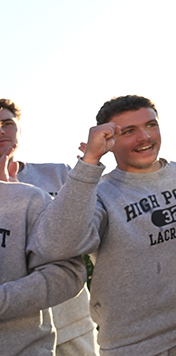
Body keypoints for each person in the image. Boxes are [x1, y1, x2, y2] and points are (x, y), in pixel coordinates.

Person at [40, 95, 176, 356]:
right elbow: (61, 245)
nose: (144, 137)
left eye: (150, 125)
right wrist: (89, 162)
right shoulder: (98, 194)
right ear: (108, 142)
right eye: (129, 131)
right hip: (138, 344)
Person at [0, 99, 98, 355]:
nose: (1, 131)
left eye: (7, 123)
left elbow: (89, 233)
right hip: (19, 333)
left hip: (73, 323)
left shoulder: (59, 174)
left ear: (19, 128)